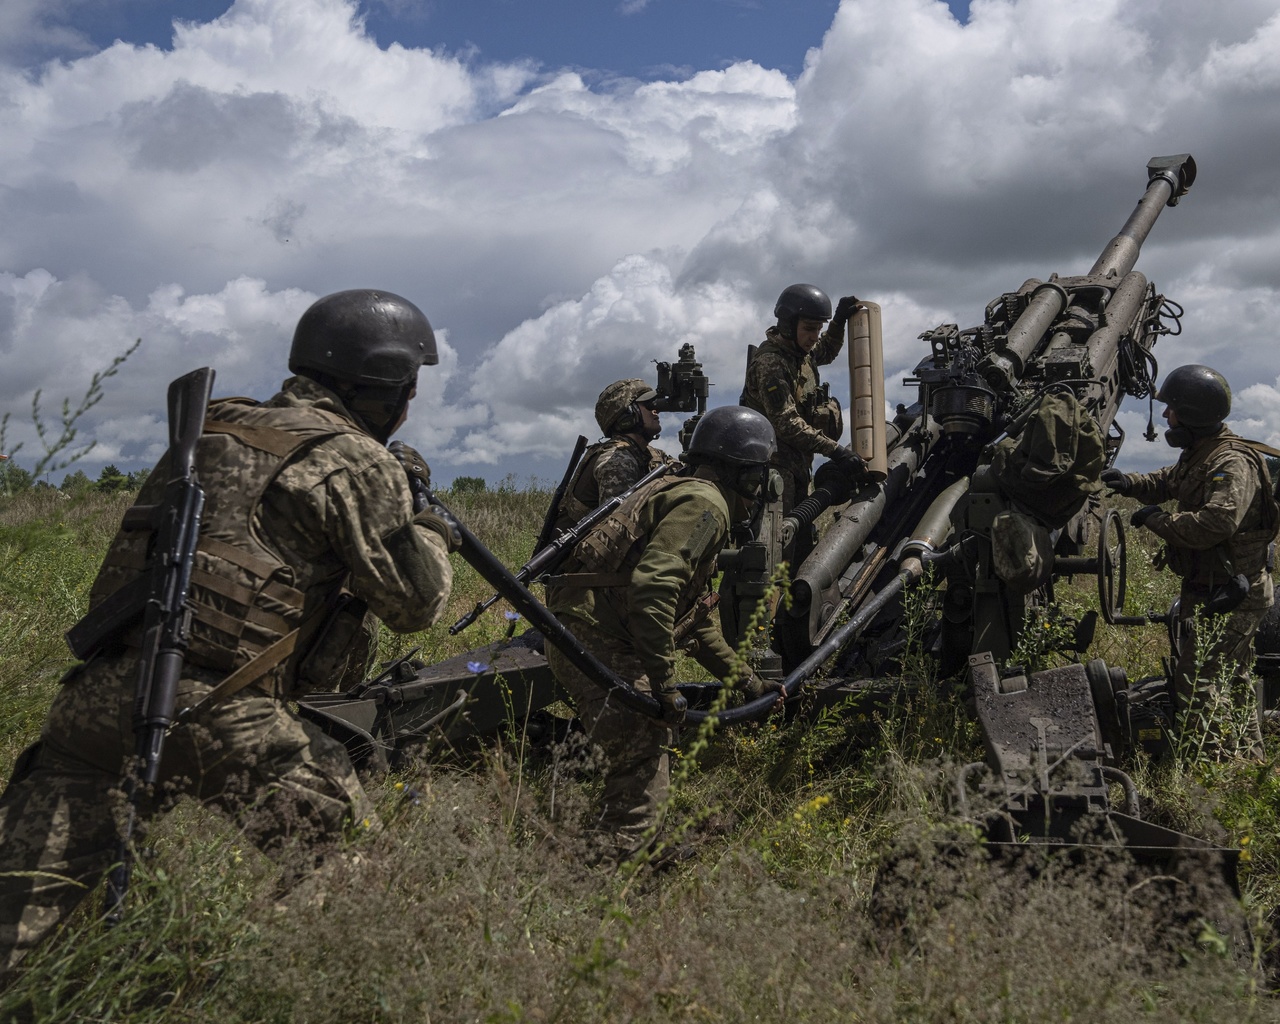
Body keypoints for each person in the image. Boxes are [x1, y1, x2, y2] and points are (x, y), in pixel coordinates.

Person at [0, 289, 458, 974]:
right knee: (350, 866)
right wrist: (430, 531)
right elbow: (414, 605)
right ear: (386, 388)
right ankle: (260, 988)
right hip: (220, 708)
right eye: (409, 391)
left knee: (19, 914)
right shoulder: (356, 458)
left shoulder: (213, 427)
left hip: (94, 699)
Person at [544, 405, 782, 863]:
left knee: (642, 741)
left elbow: (696, 622)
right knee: (642, 733)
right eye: (756, 481)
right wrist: (663, 684)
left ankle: (642, 843)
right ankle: (619, 863)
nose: (757, 496)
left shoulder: (680, 490)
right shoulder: (706, 505)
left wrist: (749, 683)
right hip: (599, 634)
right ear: (744, 475)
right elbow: (655, 587)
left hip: (581, 626)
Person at [1103, 364, 1279, 757]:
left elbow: (1215, 523)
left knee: (1196, 679)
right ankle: (1248, 758)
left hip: (1234, 592)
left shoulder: (1231, 462)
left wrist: (1158, 521)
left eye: (1172, 409)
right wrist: (1130, 483)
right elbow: (1168, 481)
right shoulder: (1201, 453)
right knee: (1233, 679)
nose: (1166, 416)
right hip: (1214, 587)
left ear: (1194, 414)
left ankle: (1207, 765)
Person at [740, 283, 868, 514]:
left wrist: (838, 321)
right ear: (789, 324)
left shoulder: (800, 355)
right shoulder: (771, 364)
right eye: (809, 328)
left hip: (796, 465)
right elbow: (786, 423)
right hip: (773, 469)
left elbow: (826, 350)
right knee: (781, 540)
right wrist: (836, 451)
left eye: (818, 329)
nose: (814, 337)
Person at [554, 378, 677, 532]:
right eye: (648, 405)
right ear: (627, 415)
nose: (656, 410)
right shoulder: (617, 461)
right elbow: (617, 531)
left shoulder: (649, 454)